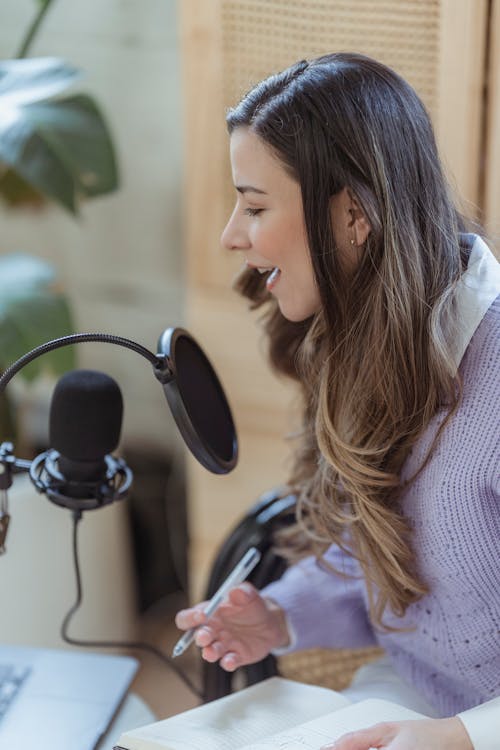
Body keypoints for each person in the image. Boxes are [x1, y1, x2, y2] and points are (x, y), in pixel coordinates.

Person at [175, 52, 500, 749]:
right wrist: (279, 615)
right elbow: (387, 565)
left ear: (353, 213)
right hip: (419, 693)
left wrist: (465, 737)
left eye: (256, 205)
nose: (233, 234)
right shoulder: (361, 347)